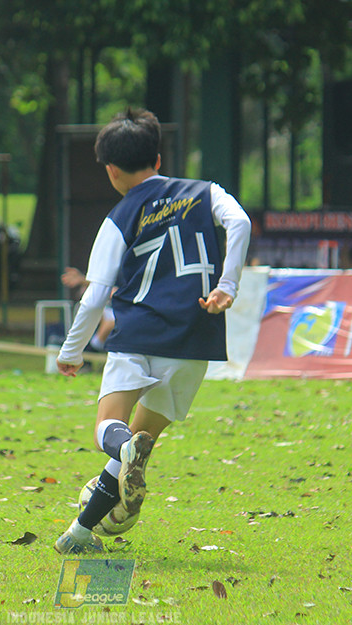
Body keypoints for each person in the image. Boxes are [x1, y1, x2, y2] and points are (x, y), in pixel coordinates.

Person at [53, 108, 251, 554]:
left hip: (139, 333)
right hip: (194, 338)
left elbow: (95, 294)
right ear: (158, 159)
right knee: (137, 445)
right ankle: (78, 534)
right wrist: (227, 286)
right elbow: (240, 222)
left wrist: (71, 351)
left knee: (110, 430)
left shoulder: (120, 215)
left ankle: (108, 481)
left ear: (111, 170)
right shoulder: (205, 192)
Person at [60, 266, 115, 352]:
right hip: (110, 309)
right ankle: (82, 346)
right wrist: (83, 281)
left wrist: (82, 280)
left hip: (124, 313)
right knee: (93, 310)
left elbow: (114, 292)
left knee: (111, 320)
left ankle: (93, 347)